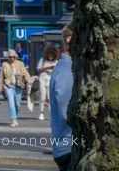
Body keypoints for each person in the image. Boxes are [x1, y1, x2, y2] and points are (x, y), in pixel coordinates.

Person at [49, 26, 74, 171]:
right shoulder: (66, 70)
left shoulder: (67, 67)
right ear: (69, 40)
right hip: (70, 147)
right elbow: (67, 112)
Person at [0, 49, 30, 128]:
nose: (12, 58)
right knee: (11, 103)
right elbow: (1, 77)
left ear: (16, 57)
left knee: (17, 105)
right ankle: (13, 119)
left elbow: (25, 74)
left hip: (18, 86)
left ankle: (15, 117)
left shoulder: (20, 64)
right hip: (8, 86)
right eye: (10, 57)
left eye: (14, 57)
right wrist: (0, 88)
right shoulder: (4, 64)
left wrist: (29, 81)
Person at [35, 46, 59, 121]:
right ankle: (41, 113)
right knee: (42, 97)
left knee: (50, 98)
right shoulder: (42, 61)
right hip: (42, 80)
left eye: (52, 56)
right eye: (49, 55)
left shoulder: (56, 62)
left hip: (51, 81)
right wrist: (45, 68)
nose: (50, 57)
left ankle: (52, 114)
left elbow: (59, 72)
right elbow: (38, 70)